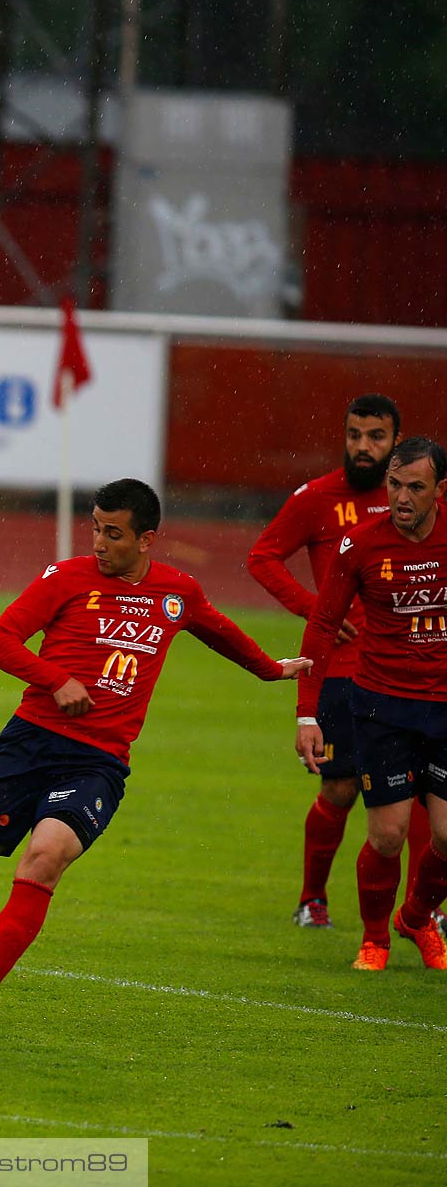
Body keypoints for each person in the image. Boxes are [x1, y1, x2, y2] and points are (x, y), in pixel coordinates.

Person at [0, 479, 309, 1029]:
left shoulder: (177, 593)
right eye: (95, 528)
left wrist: (271, 669)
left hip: (97, 761)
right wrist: (56, 680)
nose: (99, 543)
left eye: (113, 533)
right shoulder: (65, 578)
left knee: (45, 857)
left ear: (147, 539)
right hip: (29, 743)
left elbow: (217, 630)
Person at [247, 395, 436, 930]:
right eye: (354, 434)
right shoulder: (316, 498)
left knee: (425, 789)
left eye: (375, 436)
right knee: (340, 786)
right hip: (342, 669)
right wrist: (315, 608)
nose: (362, 446)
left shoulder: (419, 501)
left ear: (397, 441)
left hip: (412, 669)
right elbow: (261, 557)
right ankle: (313, 899)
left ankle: (424, 911)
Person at [297, 436, 447, 972]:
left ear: (440, 490)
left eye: (415, 487)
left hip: (444, 708)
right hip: (382, 705)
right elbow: (320, 625)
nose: (401, 498)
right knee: (387, 835)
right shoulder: (359, 545)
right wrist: (307, 714)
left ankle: (416, 916)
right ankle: (376, 938)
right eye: (394, 485)